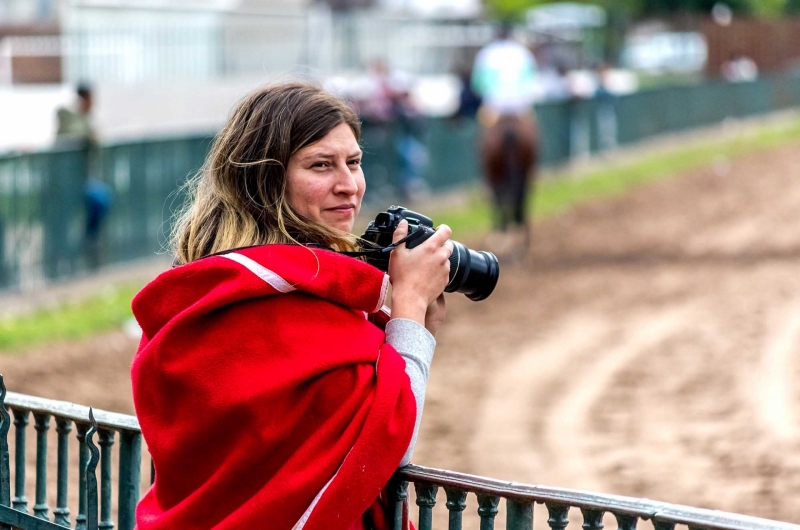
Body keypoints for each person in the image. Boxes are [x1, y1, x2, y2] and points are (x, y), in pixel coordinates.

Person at [130, 82, 453, 529]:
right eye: (321, 165)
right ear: (265, 179)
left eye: (354, 163)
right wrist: (411, 308)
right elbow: (388, 441)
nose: (348, 185)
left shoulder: (205, 287)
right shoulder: (276, 308)